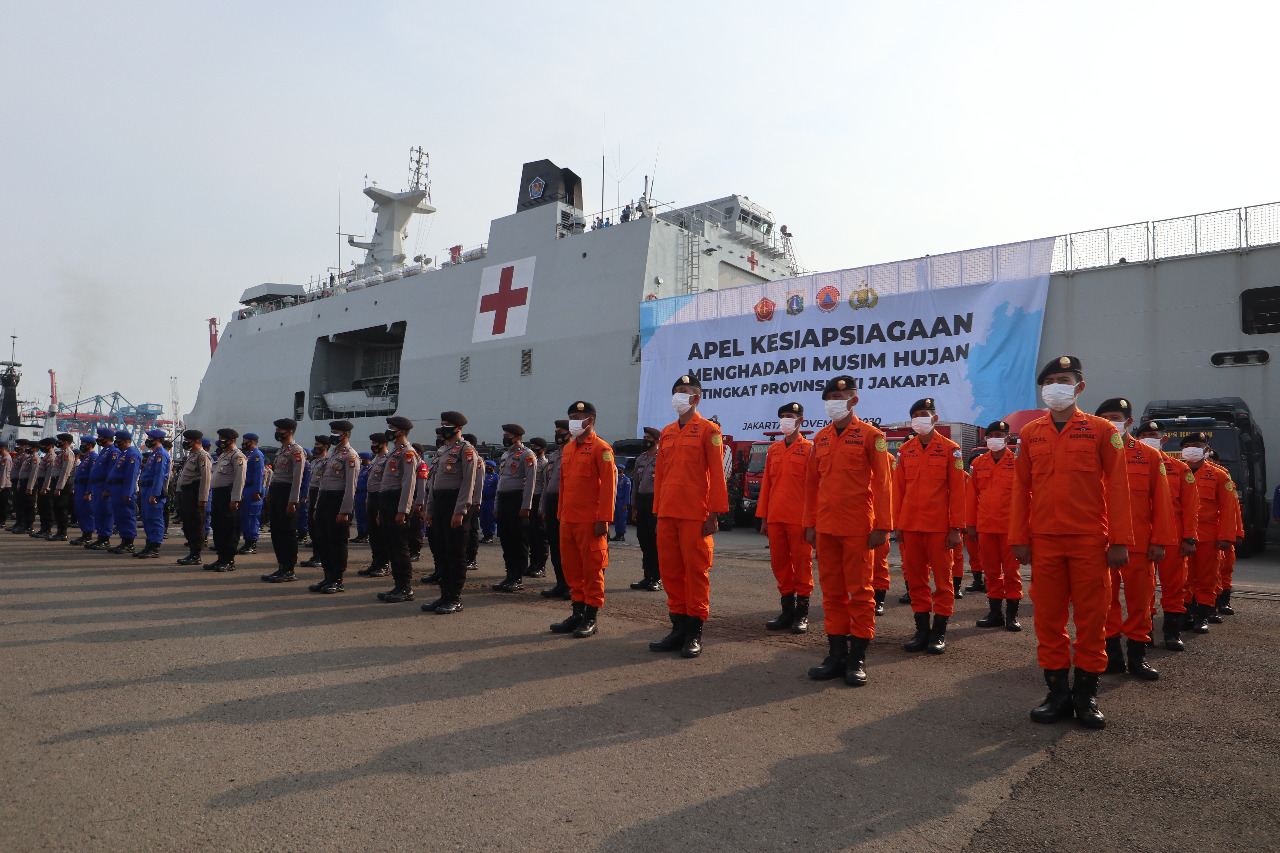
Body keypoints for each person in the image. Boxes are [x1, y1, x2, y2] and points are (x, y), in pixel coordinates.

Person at [1011, 356, 1133, 730]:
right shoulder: (1030, 433)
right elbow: (1021, 487)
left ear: (1079, 386)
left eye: (1062, 379)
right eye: (1048, 381)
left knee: (1092, 618)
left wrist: (1120, 540)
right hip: (1045, 540)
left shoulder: (1102, 430)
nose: (1055, 386)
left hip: (1090, 541)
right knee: (1048, 619)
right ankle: (1057, 693)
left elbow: (1117, 486)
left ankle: (1085, 695)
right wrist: (1019, 537)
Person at [801, 376, 893, 686]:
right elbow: (812, 485)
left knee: (861, 592)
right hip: (826, 527)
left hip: (858, 527)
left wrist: (883, 526)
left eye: (841, 395)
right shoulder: (821, 438)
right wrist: (809, 523)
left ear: (854, 400)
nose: (835, 400)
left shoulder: (872, 436)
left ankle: (857, 659)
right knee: (832, 592)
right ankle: (836, 655)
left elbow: (883, 483)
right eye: (830, 396)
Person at [649, 373, 730, 659]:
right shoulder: (668, 432)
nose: (680, 395)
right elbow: (660, 477)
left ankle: (694, 632)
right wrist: (658, 510)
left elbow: (717, 476)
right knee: (671, 572)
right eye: (676, 391)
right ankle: (677, 629)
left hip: (696, 514)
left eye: (685, 391)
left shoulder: (709, 430)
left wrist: (715, 512)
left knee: (695, 573)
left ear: (696, 397)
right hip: (669, 512)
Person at [1094, 399, 1175, 681]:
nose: (1110, 422)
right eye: (1104, 418)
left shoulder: (1148, 456)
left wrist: (1160, 540)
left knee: (1140, 602)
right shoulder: (1090, 454)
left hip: (1139, 544)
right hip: (1101, 542)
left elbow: (1162, 502)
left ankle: (1138, 658)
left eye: (1115, 417)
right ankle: (1112, 655)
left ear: (1128, 422)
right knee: (1104, 600)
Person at [892, 398, 965, 654]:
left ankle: (939, 633)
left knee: (943, 582)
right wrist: (897, 524)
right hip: (911, 526)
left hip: (939, 528)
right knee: (916, 581)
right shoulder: (905, 450)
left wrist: (956, 527)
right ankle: (921, 631)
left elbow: (958, 491)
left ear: (934, 418)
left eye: (924, 414)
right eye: (915, 416)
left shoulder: (951, 449)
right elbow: (898, 490)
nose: (919, 419)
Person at [549, 401, 617, 638]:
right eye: (571, 417)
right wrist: (560, 514)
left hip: (591, 521)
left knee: (592, 570)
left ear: (591, 420)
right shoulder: (568, 449)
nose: (574, 421)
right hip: (568, 519)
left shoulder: (601, 448)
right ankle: (576, 613)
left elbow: (609, 487)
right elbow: (564, 486)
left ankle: (591, 617)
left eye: (578, 416)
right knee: (572, 569)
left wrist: (604, 519)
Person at [1131, 420, 1199, 650]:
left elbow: (1191, 507)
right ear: (1137, 438)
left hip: (1173, 537)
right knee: (1144, 588)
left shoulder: (1180, 469)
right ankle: (1145, 631)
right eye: (1145, 434)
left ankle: (1171, 632)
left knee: (1174, 586)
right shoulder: (1128, 464)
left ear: (1164, 439)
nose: (1150, 437)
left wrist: (1190, 537)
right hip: (1141, 535)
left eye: (1155, 434)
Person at [756, 402, 815, 634]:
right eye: (782, 416)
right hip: (776, 517)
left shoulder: (810, 449)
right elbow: (767, 486)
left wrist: (812, 520)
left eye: (789, 416)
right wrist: (763, 518)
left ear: (800, 420)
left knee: (802, 566)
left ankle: (802, 614)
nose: (785, 420)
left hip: (799, 519)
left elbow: (814, 488)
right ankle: (787, 612)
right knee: (780, 565)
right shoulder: (774, 450)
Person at [1178, 432, 1236, 634]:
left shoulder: (1219, 475)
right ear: (1183, 450)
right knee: (1183, 578)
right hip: (1180, 535)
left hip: (1208, 536)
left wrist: (1226, 536)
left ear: (1207, 450)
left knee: (1207, 578)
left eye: (1197, 445)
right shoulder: (1176, 471)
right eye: (1188, 445)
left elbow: (1229, 508)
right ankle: (1184, 614)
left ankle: (1202, 616)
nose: (1192, 449)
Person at [967, 421, 1023, 631]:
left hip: (1010, 528)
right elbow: (972, 496)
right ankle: (994, 613)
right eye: (991, 435)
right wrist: (970, 524)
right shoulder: (979, 462)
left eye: (999, 434)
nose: (994, 438)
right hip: (986, 527)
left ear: (1008, 438)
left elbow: (1027, 495)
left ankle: (1012, 615)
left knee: (1011, 573)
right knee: (991, 572)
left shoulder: (1018, 462)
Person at [421, 412, 478, 614]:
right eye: (442, 424)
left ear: (458, 428)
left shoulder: (466, 450)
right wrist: (429, 510)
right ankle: (444, 595)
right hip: (439, 504)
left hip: (455, 503)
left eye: (447, 425)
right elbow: (432, 484)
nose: (443, 428)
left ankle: (455, 598)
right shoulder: (442, 450)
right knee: (441, 552)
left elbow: (468, 482)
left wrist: (460, 511)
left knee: (455, 553)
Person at [309, 421, 360, 593]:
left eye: (335, 432)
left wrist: (345, 511)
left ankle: (337, 579)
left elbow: (351, 486)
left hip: (338, 501)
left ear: (345, 434)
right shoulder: (331, 453)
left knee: (337, 542)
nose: (332, 435)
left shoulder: (350, 456)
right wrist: (317, 506)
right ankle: (327, 576)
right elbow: (323, 482)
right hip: (324, 499)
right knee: (323, 540)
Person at [374, 416, 420, 603]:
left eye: (392, 428)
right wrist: (380, 511)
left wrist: (403, 510)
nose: (389, 431)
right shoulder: (394, 452)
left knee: (400, 546)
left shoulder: (408, 453)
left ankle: (405, 587)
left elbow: (409, 483)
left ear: (401, 431)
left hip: (397, 501)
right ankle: (397, 585)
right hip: (386, 501)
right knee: (391, 545)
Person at [262, 418, 306, 583]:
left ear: (290, 432)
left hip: (287, 493)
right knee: (277, 532)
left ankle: (289, 569)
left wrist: (292, 501)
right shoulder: (282, 450)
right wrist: (269, 493)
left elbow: (297, 479)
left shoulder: (296, 451)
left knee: (287, 532)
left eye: (280, 430)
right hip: (276, 493)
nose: (277, 432)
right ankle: (281, 566)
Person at [493, 423, 536, 591]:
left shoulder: (527, 455)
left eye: (508, 436)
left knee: (518, 539)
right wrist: (497, 504)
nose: (505, 438)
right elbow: (501, 482)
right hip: (504, 500)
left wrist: (526, 506)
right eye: (504, 435)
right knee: (506, 539)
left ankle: (517, 577)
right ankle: (509, 575)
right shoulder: (505, 456)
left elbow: (531, 482)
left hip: (517, 499)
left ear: (517, 437)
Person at [539, 421, 573, 600]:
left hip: (567, 502)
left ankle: (571, 585)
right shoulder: (553, 457)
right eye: (556, 432)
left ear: (570, 433)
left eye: (560, 432)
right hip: (552, 503)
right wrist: (543, 507)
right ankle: (560, 583)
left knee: (568, 547)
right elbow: (546, 485)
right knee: (555, 544)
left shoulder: (574, 453)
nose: (557, 435)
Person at [205, 428, 246, 571]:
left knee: (230, 529)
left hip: (228, 495)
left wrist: (235, 499)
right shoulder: (223, 456)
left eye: (223, 439)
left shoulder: (237, 456)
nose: (220, 441)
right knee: (218, 527)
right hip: (217, 495)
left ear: (232, 440)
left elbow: (239, 479)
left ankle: (229, 560)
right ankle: (220, 558)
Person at [629, 427, 662, 591]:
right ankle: (647, 576)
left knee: (655, 542)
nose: (645, 440)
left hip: (655, 502)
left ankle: (658, 578)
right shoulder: (640, 459)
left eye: (648, 437)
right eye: (644, 437)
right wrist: (633, 507)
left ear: (657, 440)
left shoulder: (662, 457)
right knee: (643, 539)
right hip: (642, 502)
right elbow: (635, 485)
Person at [175, 430, 213, 565]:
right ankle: (192, 552)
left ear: (196, 441)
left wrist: (203, 498)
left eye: (188, 440)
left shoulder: (202, 456)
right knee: (188, 523)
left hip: (195, 493)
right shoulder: (192, 455)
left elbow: (206, 478)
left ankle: (196, 554)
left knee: (196, 523)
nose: (185, 443)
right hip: (187, 493)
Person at [357, 432, 391, 578]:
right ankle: (375, 562)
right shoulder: (376, 459)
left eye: (374, 443)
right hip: (371, 497)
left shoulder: (388, 458)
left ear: (382, 444)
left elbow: (386, 481)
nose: (372, 446)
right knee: (373, 533)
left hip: (381, 497)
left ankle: (383, 564)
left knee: (381, 533)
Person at [134, 429, 172, 558]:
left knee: (155, 518)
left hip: (153, 490)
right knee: (147, 518)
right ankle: (148, 545)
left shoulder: (161, 454)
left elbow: (159, 476)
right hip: (146, 489)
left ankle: (155, 547)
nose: (147, 440)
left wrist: (154, 494)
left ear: (156, 440)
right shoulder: (154, 454)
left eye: (149, 438)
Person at [85, 429, 120, 549]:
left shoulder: (113, 452)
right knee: (98, 512)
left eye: (100, 437)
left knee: (106, 513)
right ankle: (100, 537)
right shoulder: (104, 451)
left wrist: (108, 488)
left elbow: (111, 472)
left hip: (104, 487)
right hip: (97, 486)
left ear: (107, 438)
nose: (98, 439)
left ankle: (105, 538)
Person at [299, 435, 329, 568]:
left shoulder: (326, 462)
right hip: (313, 493)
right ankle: (316, 555)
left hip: (321, 494)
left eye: (318, 445)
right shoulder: (315, 461)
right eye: (315, 444)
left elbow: (323, 483)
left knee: (320, 528)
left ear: (325, 447)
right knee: (312, 527)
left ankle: (322, 556)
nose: (316, 447)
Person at [237, 434, 266, 555]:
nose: (244, 443)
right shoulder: (247, 455)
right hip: (245, 488)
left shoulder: (257, 455)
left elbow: (258, 474)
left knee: (252, 516)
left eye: (246, 441)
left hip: (252, 489)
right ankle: (247, 540)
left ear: (253, 442)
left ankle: (252, 543)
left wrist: (257, 491)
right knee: (245, 516)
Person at [526, 436, 549, 578]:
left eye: (536, 447)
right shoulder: (530, 463)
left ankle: (541, 566)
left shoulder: (545, 464)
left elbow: (546, 486)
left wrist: (542, 507)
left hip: (539, 499)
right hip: (530, 500)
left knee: (540, 536)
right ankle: (532, 564)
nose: (533, 449)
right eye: (532, 446)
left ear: (543, 449)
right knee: (531, 535)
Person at [46, 433, 76, 541]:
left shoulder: (68, 454)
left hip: (62, 484)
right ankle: (59, 531)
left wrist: (59, 487)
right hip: (57, 482)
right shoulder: (61, 453)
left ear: (66, 442)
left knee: (61, 508)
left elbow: (65, 472)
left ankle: (62, 533)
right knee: (57, 508)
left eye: (60, 440)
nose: (58, 442)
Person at [70, 436, 97, 545]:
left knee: (87, 512)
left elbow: (92, 476)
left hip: (85, 488)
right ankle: (84, 533)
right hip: (79, 487)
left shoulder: (93, 457)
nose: (81, 446)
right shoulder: (86, 457)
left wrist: (89, 491)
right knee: (80, 511)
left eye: (83, 444)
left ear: (90, 445)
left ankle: (88, 535)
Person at [352, 451, 373, 543]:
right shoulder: (361, 470)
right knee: (358, 515)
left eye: (361, 458)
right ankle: (360, 533)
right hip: (358, 494)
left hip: (364, 494)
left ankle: (365, 534)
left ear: (366, 459)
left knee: (364, 515)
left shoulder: (369, 469)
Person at [611, 464, 632, 542]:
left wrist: (626, 503)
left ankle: (621, 535)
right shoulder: (615, 479)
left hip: (622, 501)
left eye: (620, 469)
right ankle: (617, 534)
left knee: (622, 519)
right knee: (616, 519)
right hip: (616, 501)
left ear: (623, 470)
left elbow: (627, 493)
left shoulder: (626, 480)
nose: (619, 471)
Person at [480, 461, 498, 542]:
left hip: (491, 500)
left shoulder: (496, 477)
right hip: (483, 500)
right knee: (483, 518)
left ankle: (489, 536)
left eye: (489, 466)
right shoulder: (484, 476)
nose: (487, 468)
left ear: (493, 467)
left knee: (490, 518)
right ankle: (485, 534)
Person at [0, 441, 11, 530]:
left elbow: (4, 473)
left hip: (4, 485)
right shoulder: (2, 458)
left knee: (3, 504)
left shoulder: (6, 459)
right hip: (3, 484)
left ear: (2, 448)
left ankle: (2, 522)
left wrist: (1, 486)